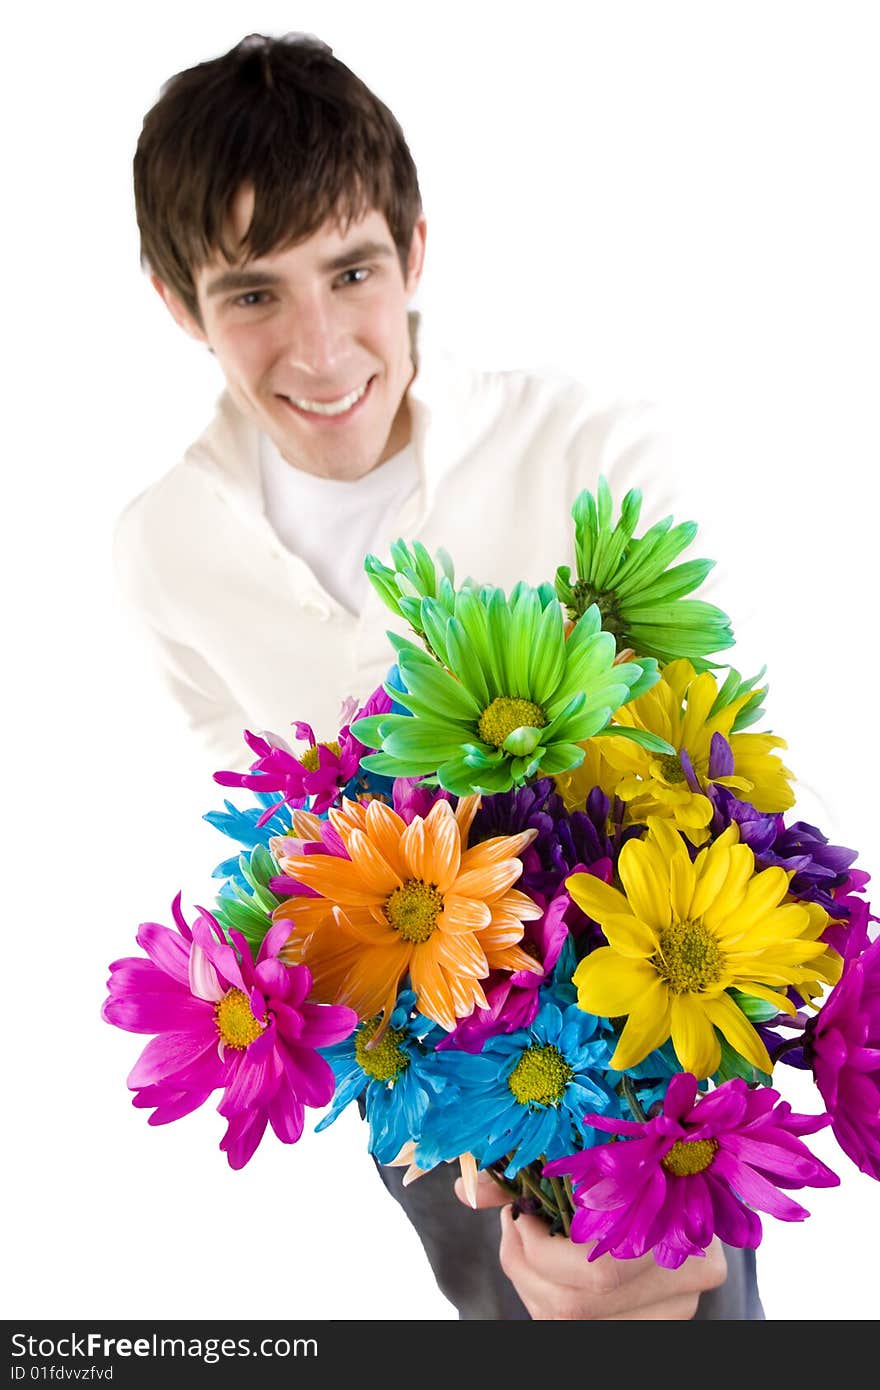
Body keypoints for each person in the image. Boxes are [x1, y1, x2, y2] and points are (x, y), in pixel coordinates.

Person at [115, 31, 763, 1320]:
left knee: (683, 1325)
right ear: (178, 304)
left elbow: (698, 776)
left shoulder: (593, 454)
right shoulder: (163, 550)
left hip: (635, 1028)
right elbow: (268, 826)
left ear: (413, 250)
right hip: (414, 1059)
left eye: (350, 271)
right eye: (252, 294)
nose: (319, 350)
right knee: (497, 1318)